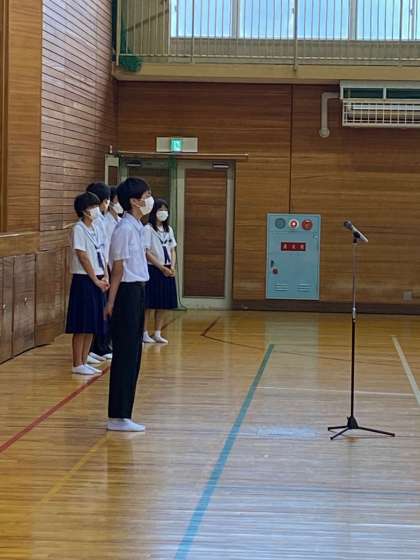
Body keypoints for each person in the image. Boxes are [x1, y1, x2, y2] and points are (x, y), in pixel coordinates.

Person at [105, 177, 154, 432]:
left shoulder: (137, 227)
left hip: (137, 291)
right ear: (134, 201)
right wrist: (111, 301)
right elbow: (118, 268)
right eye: (146, 196)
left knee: (133, 354)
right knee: (125, 354)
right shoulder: (124, 229)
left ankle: (125, 414)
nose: (149, 200)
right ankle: (117, 416)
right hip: (126, 293)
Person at [65, 192, 109, 375]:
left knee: (92, 322)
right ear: (84, 210)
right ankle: (77, 363)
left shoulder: (96, 228)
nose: (96, 209)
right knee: (81, 323)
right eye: (92, 206)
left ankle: (84, 360)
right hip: (84, 279)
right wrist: (95, 280)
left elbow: (102, 253)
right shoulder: (79, 229)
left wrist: (105, 276)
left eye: (97, 205)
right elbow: (82, 256)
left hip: (98, 278)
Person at [143, 199, 178, 344]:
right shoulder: (148, 229)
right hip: (154, 269)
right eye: (160, 209)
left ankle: (157, 332)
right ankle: (144, 332)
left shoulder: (169, 229)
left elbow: (172, 249)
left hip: (167, 268)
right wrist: (160, 267)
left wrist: (172, 266)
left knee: (163, 303)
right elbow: (146, 252)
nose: (163, 212)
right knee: (149, 304)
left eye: (165, 209)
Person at [85, 182, 112, 363]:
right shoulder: (90, 224)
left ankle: (99, 346)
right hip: (95, 270)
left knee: (101, 310)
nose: (107, 204)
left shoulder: (101, 220)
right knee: (95, 311)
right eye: (107, 200)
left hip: (104, 267)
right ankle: (95, 348)